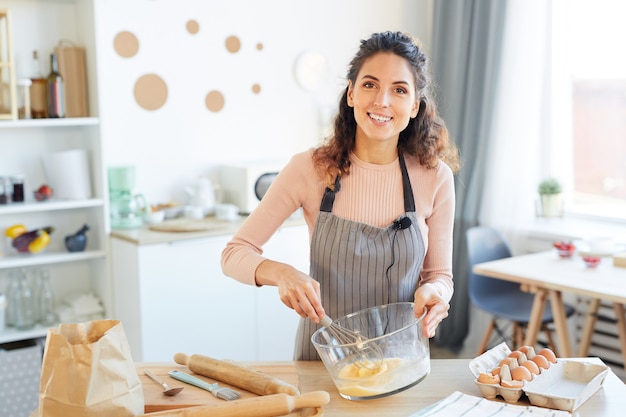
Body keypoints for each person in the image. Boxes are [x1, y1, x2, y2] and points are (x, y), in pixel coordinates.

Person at [221, 31, 461, 360]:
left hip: (401, 360)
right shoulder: (309, 168)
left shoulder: (436, 178)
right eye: (369, 84)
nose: (382, 102)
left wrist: (435, 292)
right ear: (351, 94)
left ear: (415, 105)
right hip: (323, 361)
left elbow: (440, 276)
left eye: (399, 90)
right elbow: (234, 254)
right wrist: (282, 274)